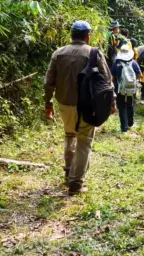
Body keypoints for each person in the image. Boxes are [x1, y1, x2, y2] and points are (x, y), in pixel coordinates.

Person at [44, 20, 116, 196]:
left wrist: (48, 103)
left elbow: (48, 83)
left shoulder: (58, 53)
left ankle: (69, 171)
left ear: (71, 35)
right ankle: (76, 183)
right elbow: (107, 81)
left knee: (70, 135)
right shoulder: (93, 53)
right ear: (88, 36)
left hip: (64, 104)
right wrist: (112, 103)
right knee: (84, 141)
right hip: (87, 105)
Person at [111, 45, 142, 134]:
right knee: (130, 104)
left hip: (119, 89)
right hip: (131, 89)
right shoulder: (133, 63)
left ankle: (124, 129)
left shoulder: (116, 63)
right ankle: (130, 123)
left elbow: (112, 78)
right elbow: (140, 75)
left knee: (122, 107)